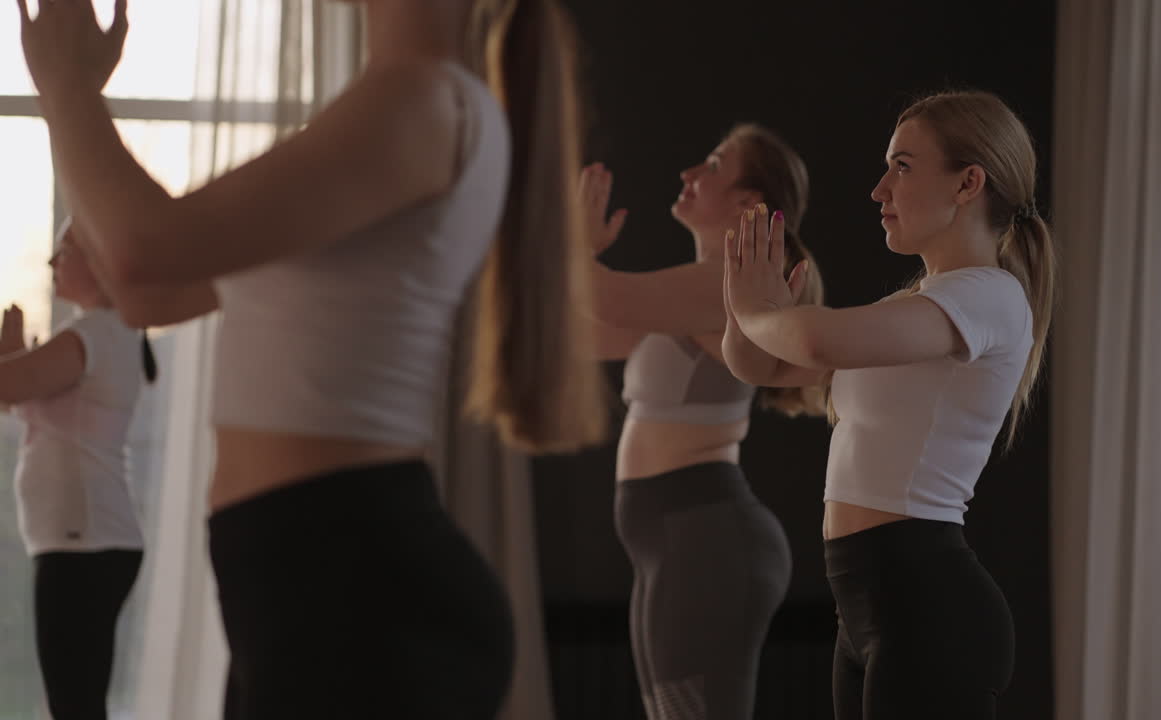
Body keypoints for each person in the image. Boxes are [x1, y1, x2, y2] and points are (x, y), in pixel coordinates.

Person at [17, 0, 605, 716]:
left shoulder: (417, 104)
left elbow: (143, 258)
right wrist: (72, 99)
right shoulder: (398, 108)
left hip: (353, 594)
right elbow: (150, 293)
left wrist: (67, 93)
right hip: (315, 587)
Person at [722, 91, 1055, 719]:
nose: (879, 190)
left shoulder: (990, 297)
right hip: (868, 603)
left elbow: (814, 336)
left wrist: (760, 313)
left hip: (928, 606)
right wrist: (747, 305)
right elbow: (764, 365)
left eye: (901, 165)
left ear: (968, 183)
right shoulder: (913, 307)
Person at [583, 123, 825, 719]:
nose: (690, 174)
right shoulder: (692, 294)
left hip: (705, 538)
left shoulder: (721, 287)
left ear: (748, 204)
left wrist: (576, 245)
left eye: (712, 166)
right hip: (676, 537)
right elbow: (581, 332)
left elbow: (603, 295)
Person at [2, 220, 149, 720]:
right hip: (85, 541)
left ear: (100, 261)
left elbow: (9, 384)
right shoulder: (102, 333)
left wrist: (11, 344)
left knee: (75, 704)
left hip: (84, 543)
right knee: (76, 700)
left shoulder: (97, 333)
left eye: (64, 251)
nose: (52, 262)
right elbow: (16, 392)